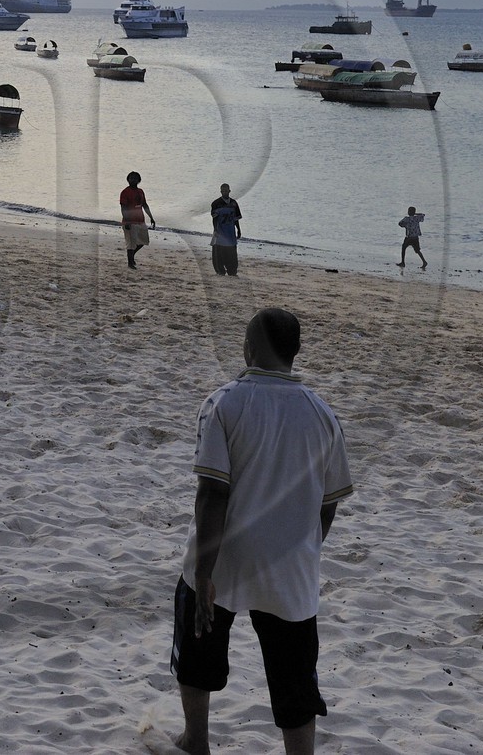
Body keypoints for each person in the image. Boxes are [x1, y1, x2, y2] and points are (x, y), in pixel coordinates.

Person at [166, 308, 353, 755]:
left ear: (249, 348)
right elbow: (328, 505)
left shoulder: (225, 402)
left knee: (197, 645)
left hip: (226, 558)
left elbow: (213, 493)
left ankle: (196, 740)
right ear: (295, 353)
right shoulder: (323, 414)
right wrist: (304, 549)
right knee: (294, 672)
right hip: (290, 566)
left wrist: (205, 573)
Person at [120, 171, 156, 270]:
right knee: (131, 243)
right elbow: (123, 207)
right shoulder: (125, 192)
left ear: (139, 180)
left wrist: (151, 217)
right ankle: (130, 263)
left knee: (144, 241)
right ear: (128, 180)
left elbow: (145, 205)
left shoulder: (140, 191)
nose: (133, 180)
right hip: (129, 221)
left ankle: (132, 256)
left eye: (135, 178)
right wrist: (126, 221)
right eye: (131, 178)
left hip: (140, 220)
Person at [210, 184, 242, 277]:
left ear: (229, 191)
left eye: (226, 190)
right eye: (223, 191)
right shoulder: (216, 203)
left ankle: (232, 271)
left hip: (230, 232)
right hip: (220, 231)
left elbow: (236, 219)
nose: (224, 192)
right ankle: (220, 271)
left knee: (232, 254)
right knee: (218, 253)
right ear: (220, 191)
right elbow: (214, 218)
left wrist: (239, 230)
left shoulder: (234, 203)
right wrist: (215, 230)